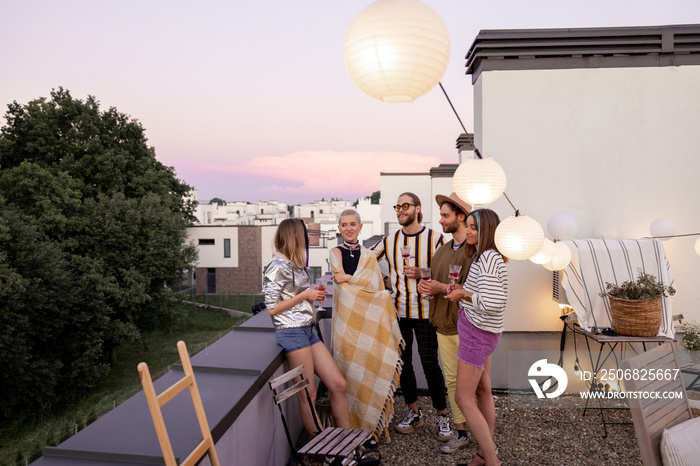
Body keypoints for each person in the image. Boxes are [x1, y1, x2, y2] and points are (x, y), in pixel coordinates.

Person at [371, 192, 452, 441]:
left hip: (427, 313)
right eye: (398, 206)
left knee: (429, 364)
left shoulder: (435, 239)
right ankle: (413, 412)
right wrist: (386, 280)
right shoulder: (390, 240)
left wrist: (422, 272)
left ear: (417, 209)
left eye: (405, 206)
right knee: (403, 365)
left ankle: (442, 415)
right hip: (398, 314)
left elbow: (447, 274)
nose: (400, 210)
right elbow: (367, 261)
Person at [262, 218, 350, 437]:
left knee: (338, 385)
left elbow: (293, 297)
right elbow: (272, 308)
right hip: (291, 334)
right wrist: (304, 295)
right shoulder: (276, 266)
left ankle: (348, 442)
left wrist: (311, 297)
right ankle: (325, 450)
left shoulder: (295, 264)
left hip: (307, 330)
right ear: (294, 236)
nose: (308, 238)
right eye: (304, 234)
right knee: (308, 394)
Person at [329, 209, 404, 441]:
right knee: (349, 374)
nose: (349, 228)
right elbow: (345, 291)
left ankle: (369, 429)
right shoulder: (334, 253)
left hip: (369, 327)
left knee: (368, 371)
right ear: (339, 229)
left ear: (361, 227)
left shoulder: (370, 257)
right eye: (344, 225)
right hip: (346, 325)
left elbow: (375, 290)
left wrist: (350, 278)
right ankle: (350, 429)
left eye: (353, 224)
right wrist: (353, 283)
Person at [446, 208, 508, 466]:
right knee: (482, 391)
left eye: (474, 228)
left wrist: (463, 296)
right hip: (483, 332)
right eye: (468, 226)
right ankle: (483, 455)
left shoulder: (490, 258)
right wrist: (463, 288)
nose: (468, 231)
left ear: (487, 232)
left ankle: (492, 460)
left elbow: (493, 301)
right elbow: (483, 293)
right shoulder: (484, 257)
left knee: (463, 398)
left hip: (477, 334)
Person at [416, 193, 472, 455]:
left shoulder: (475, 252)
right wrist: (427, 288)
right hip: (443, 325)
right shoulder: (442, 250)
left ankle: (483, 431)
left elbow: (475, 291)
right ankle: (461, 432)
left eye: (445, 215)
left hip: (468, 328)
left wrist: (440, 287)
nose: (440, 221)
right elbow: (436, 285)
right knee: (451, 381)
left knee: (476, 386)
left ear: (461, 217)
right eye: (440, 215)